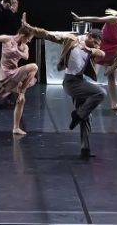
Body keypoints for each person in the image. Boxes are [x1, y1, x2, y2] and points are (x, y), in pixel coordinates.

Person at [22, 14, 106, 158]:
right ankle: (77, 115)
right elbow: (48, 35)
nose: (97, 45)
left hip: (80, 81)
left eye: (98, 44)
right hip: (71, 82)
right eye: (95, 42)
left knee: (86, 116)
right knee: (101, 93)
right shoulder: (71, 40)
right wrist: (30, 28)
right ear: (89, 36)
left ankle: (85, 149)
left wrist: (91, 50)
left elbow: (102, 53)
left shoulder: (92, 47)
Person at [70, 11, 117, 111]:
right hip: (101, 47)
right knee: (85, 70)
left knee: (113, 74)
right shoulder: (114, 20)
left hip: (111, 52)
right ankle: (80, 93)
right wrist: (80, 18)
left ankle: (114, 104)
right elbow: (97, 19)